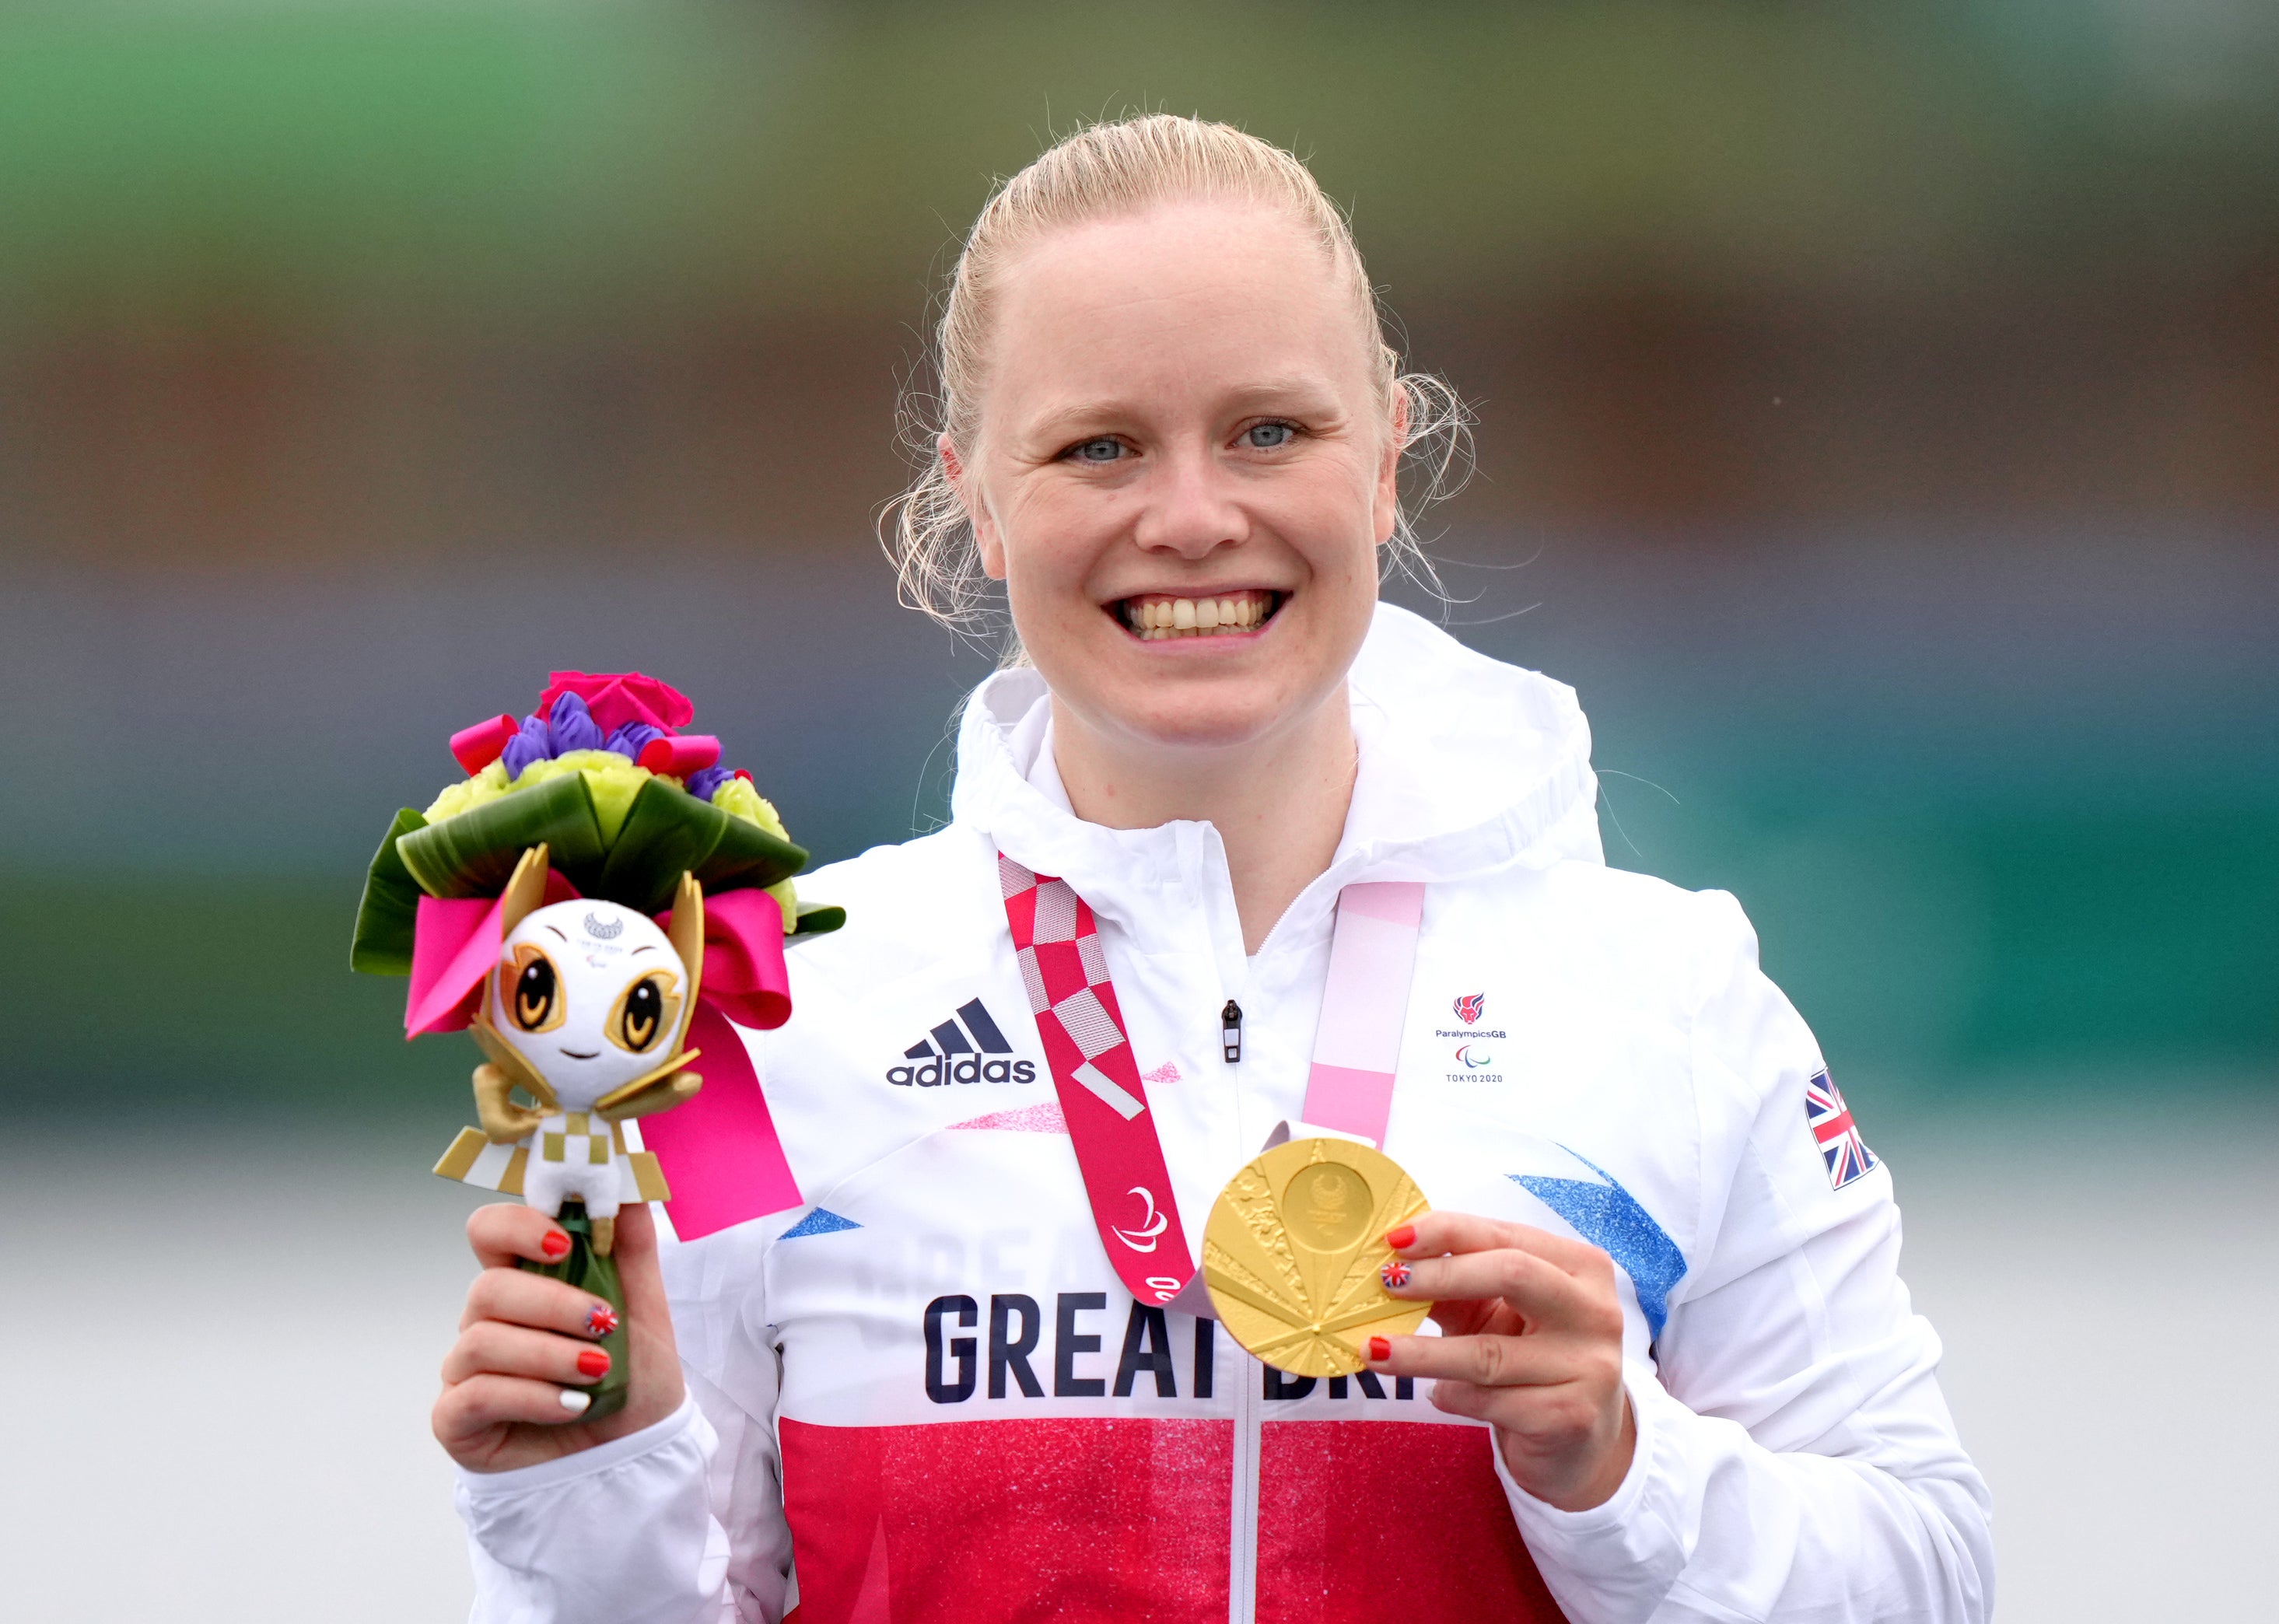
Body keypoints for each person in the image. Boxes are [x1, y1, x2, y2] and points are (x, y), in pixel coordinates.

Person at [433, 115, 1992, 1623]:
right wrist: (588, 1487)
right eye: (1098, 446)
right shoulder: (751, 1033)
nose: (1190, 517)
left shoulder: (1671, 1001)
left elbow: (1929, 1575)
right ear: (976, 495)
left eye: (1268, 431)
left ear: (1384, 459)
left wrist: (1624, 1469)